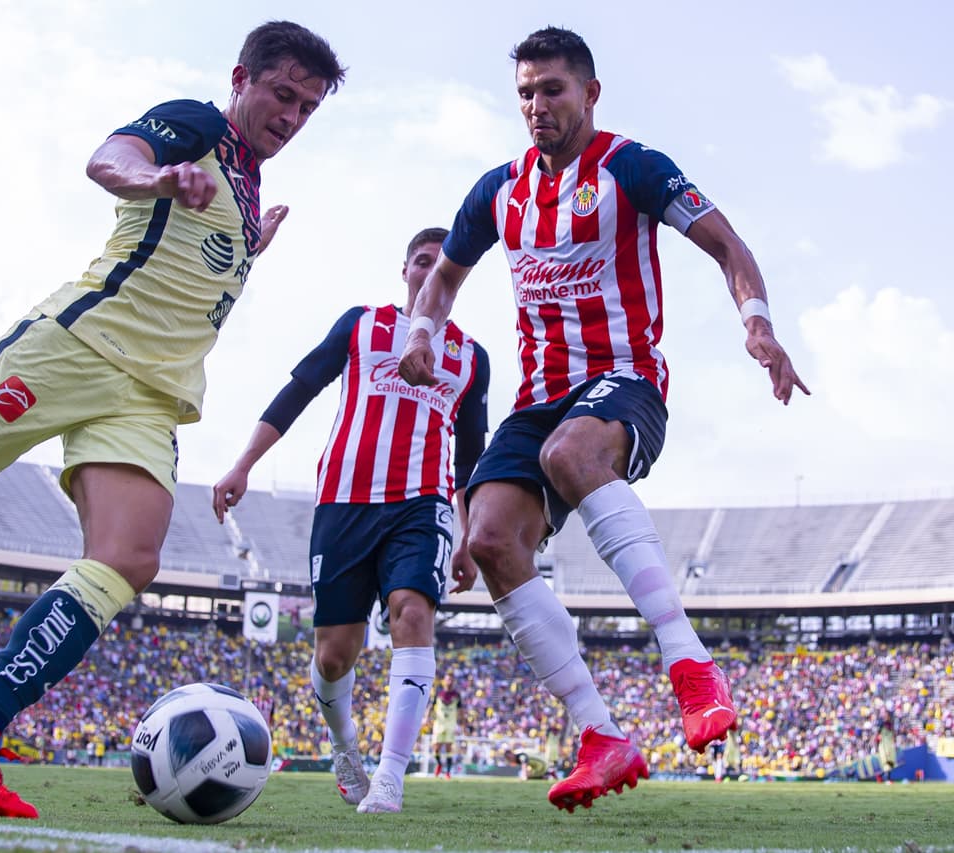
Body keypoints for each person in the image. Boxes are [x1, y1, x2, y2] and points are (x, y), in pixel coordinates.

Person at [0, 20, 345, 819]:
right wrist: (157, 179)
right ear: (243, 78)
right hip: (73, 352)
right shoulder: (196, 125)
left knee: (129, 557)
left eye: (306, 107)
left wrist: (251, 246)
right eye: (282, 94)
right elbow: (109, 159)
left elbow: (191, 267)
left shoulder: (246, 185)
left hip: (148, 395)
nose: (291, 116)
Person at [397, 27, 809, 812]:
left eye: (552, 89)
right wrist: (422, 332)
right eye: (525, 92)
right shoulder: (498, 190)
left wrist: (756, 321)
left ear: (589, 93)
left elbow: (727, 245)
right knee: (486, 539)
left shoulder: (632, 167)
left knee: (570, 454)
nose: (537, 105)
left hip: (624, 380)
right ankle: (600, 733)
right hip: (541, 395)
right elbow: (443, 279)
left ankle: (689, 665)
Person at [213, 227, 490, 813]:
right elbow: (301, 389)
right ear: (406, 270)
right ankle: (346, 749)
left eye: (443, 264)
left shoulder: (470, 358)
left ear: (455, 277)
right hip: (343, 504)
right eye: (421, 261)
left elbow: (469, 457)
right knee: (335, 654)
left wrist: (466, 535)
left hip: (422, 504)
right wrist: (243, 465)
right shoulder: (362, 325)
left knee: (412, 613)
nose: (430, 271)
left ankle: (391, 777)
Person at [430, 672, 461, 779]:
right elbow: (431, 705)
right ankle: (439, 764)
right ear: (444, 681)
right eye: (448, 679)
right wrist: (426, 717)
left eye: (451, 680)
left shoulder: (457, 695)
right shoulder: (438, 693)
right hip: (439, 723)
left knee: (448, 748)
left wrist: (462, 723)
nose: (450, 681)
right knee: (436, 748)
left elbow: (461, 710)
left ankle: (448, 773)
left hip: (450, 724)